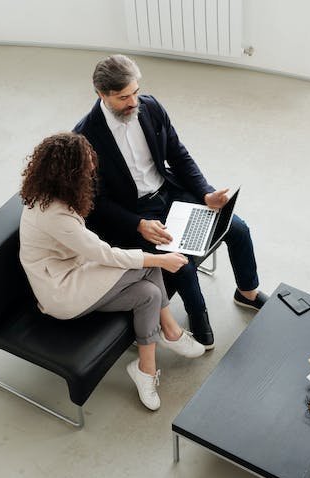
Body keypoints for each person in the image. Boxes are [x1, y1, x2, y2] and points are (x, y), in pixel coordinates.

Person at [73, 54, 269, 350]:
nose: (133, 102)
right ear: (101, 94)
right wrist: (137, 225)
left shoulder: (150, 106)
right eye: (123, 97)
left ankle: (247, 292)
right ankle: (197, 314)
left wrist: (205, 193)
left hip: (170, 191)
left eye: (135, 92)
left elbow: (178, 154)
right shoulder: (84, 137)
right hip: (134, 212)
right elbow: (94, 202)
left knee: (237, 228)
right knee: (181, 263)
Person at [18, 132, 206, 411]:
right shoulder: (54, 215)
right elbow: (104, 254)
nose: (92, 170)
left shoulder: (56, 196)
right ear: (68, 174)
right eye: (85, 167)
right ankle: (171, 331)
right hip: (62, 292)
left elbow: (92, 251)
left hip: (78, 272)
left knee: (149, 294)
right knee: (148, 264)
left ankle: (145, 369)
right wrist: (161, 261)